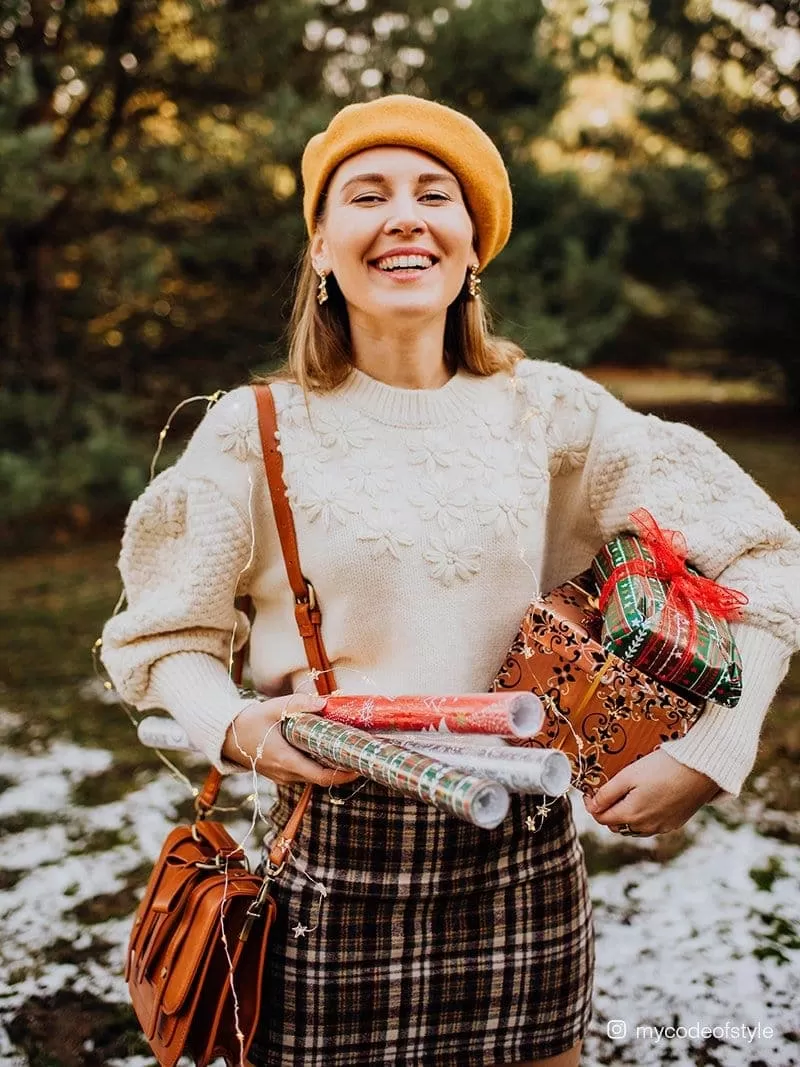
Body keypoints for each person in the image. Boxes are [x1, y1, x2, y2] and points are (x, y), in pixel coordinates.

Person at [101, 95, 800, 1067]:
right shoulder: (251, 430)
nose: (403, 214)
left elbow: (765, 554)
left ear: (472, 247)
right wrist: (231, 723)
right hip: (330, 866)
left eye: (436, 194)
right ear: (319, 247)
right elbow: (160, 635)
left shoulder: (545, 412)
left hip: (523, 855)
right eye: (366, 193)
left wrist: (715, 746)